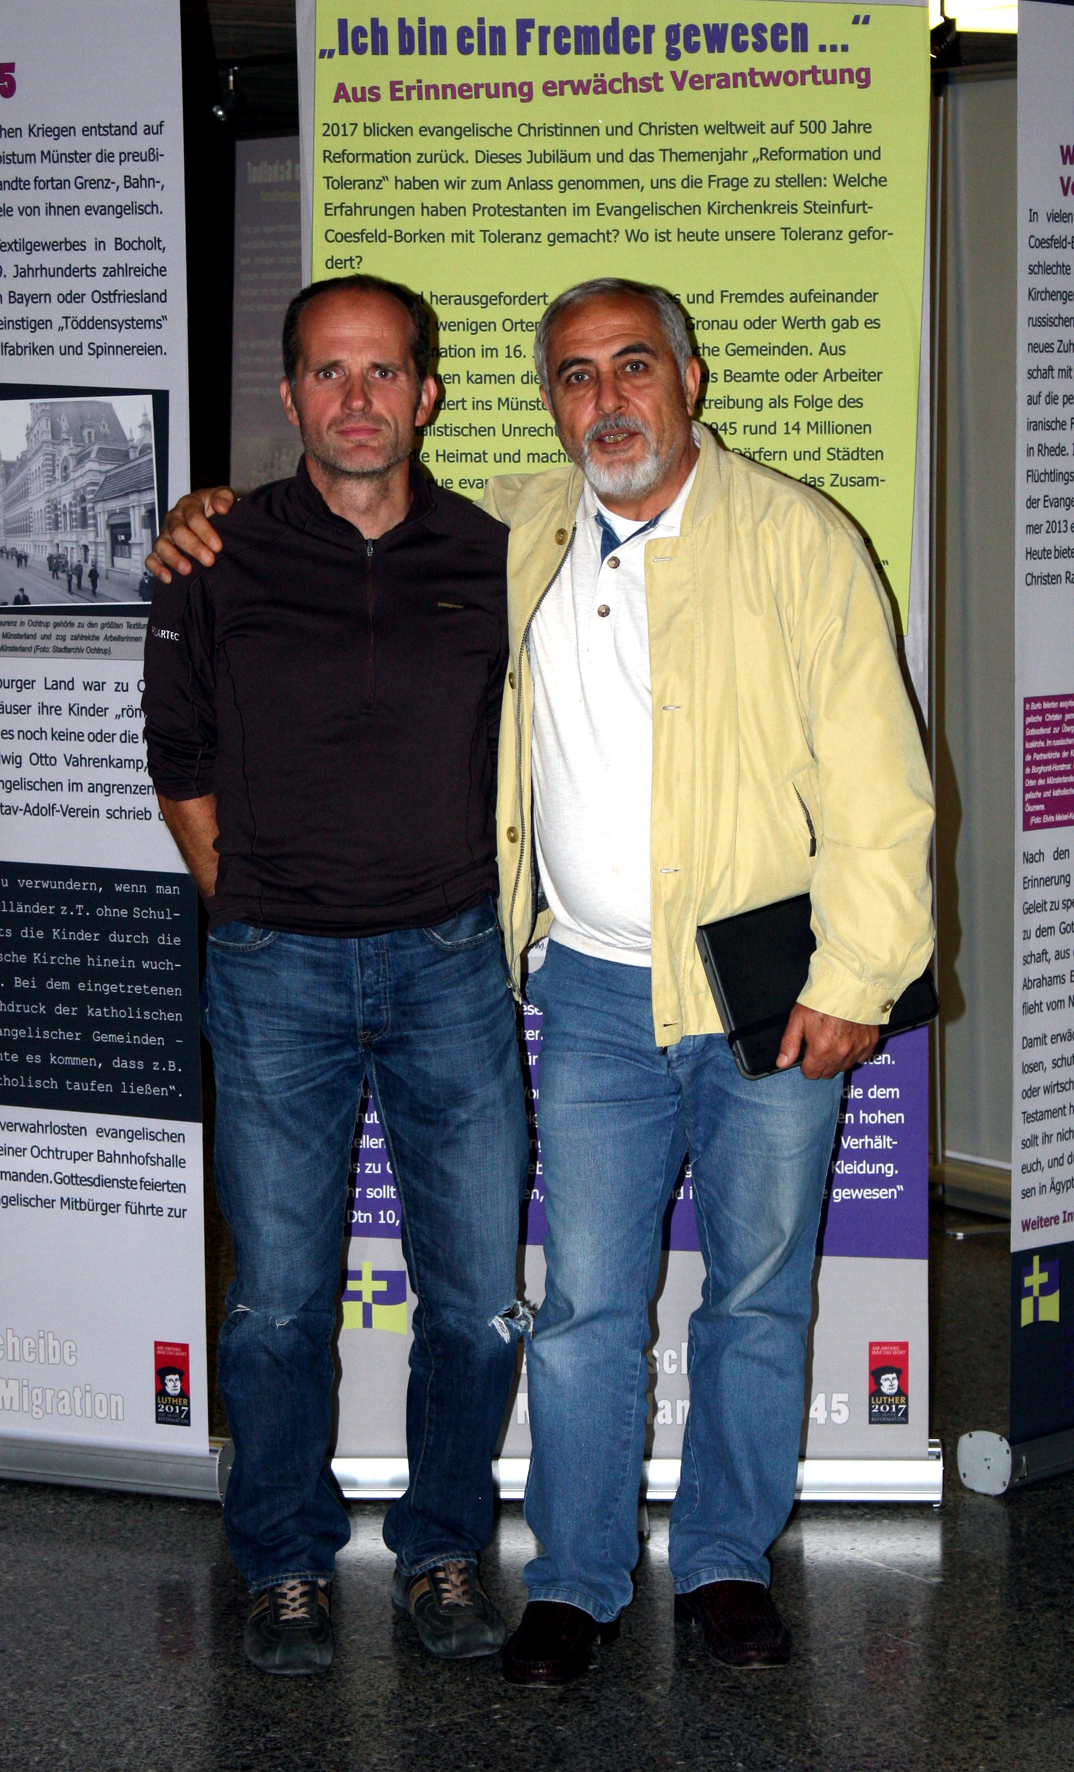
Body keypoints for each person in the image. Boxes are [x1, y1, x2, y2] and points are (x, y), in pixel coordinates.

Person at [153, 276, 935, 1688]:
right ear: (545, 404)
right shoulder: (523, 528)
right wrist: (201, 512)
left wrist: (860, 975)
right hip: (582, 994)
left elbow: (883, 781)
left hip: (764, 995)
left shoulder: (795, 538)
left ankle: (724, 1563)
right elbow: (342, 508)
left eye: (633, 366)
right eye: (575, 376)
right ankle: (574, 1578)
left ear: (690, 379)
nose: (607, 400)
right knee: (580, 1311)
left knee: (756, 1297)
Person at [142, 274, 529, 1678]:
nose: (356, 399)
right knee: (278, 1307)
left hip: (452, 967)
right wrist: (253, 908)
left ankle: (443, 1548)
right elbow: (178, 753)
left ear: (426, 393)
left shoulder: (497, 555)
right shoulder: (213, 558)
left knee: (474, 1299)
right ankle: (286, 1562)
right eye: (327, 371)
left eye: (381, 372)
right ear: (290, 393)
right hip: (272, 976)